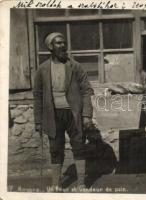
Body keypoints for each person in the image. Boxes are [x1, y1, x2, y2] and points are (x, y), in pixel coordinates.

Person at [33, 32, 94, 190]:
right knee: (55, 149)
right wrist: (38, 121)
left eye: (63, 43)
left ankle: (81, 184)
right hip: (53, 115)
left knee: (79, 146)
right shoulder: (43, 69)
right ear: (50, 47)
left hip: (74, 113)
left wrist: (86, 115)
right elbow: (38, 96)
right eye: (58, 43)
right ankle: (56, 184)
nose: (62, 46)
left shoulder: (75, 66)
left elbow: (87, 90)